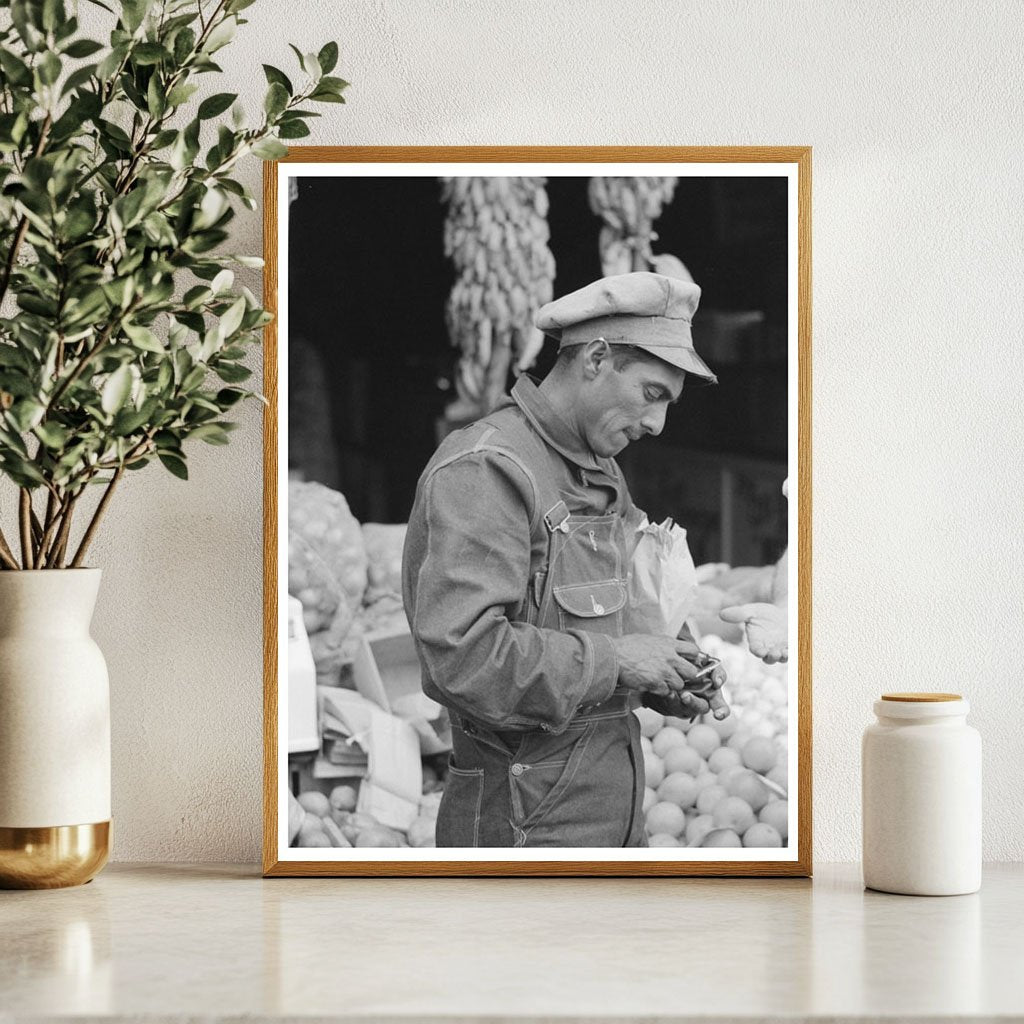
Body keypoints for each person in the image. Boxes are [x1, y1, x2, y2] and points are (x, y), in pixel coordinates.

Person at [402, 272, 727, 849]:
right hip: (523, 822)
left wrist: (666, 674)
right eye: (653, 394)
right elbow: (466, 659)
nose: (657, 424)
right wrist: (623, 661)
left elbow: (613, 626)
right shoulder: (488, 470)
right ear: (597, 358)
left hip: (604, 808)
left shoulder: (600, 471)